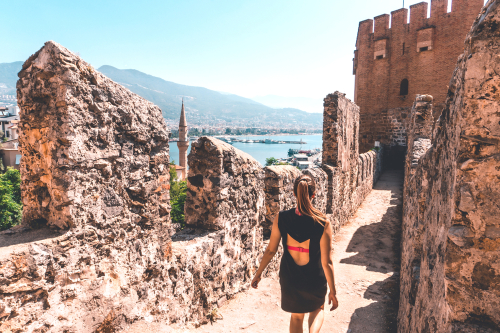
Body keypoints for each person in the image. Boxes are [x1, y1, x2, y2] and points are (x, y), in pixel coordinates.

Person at [251, 175, 338, 333]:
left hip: (290, 277)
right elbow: (327, 263)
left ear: (294, 193)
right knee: (318, 309)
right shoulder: (323, 222)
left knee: (297, 316)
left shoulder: (281, 218)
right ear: (313, 194)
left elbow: (270, 250)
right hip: (314, 277)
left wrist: (258, 274)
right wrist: (333, 291)